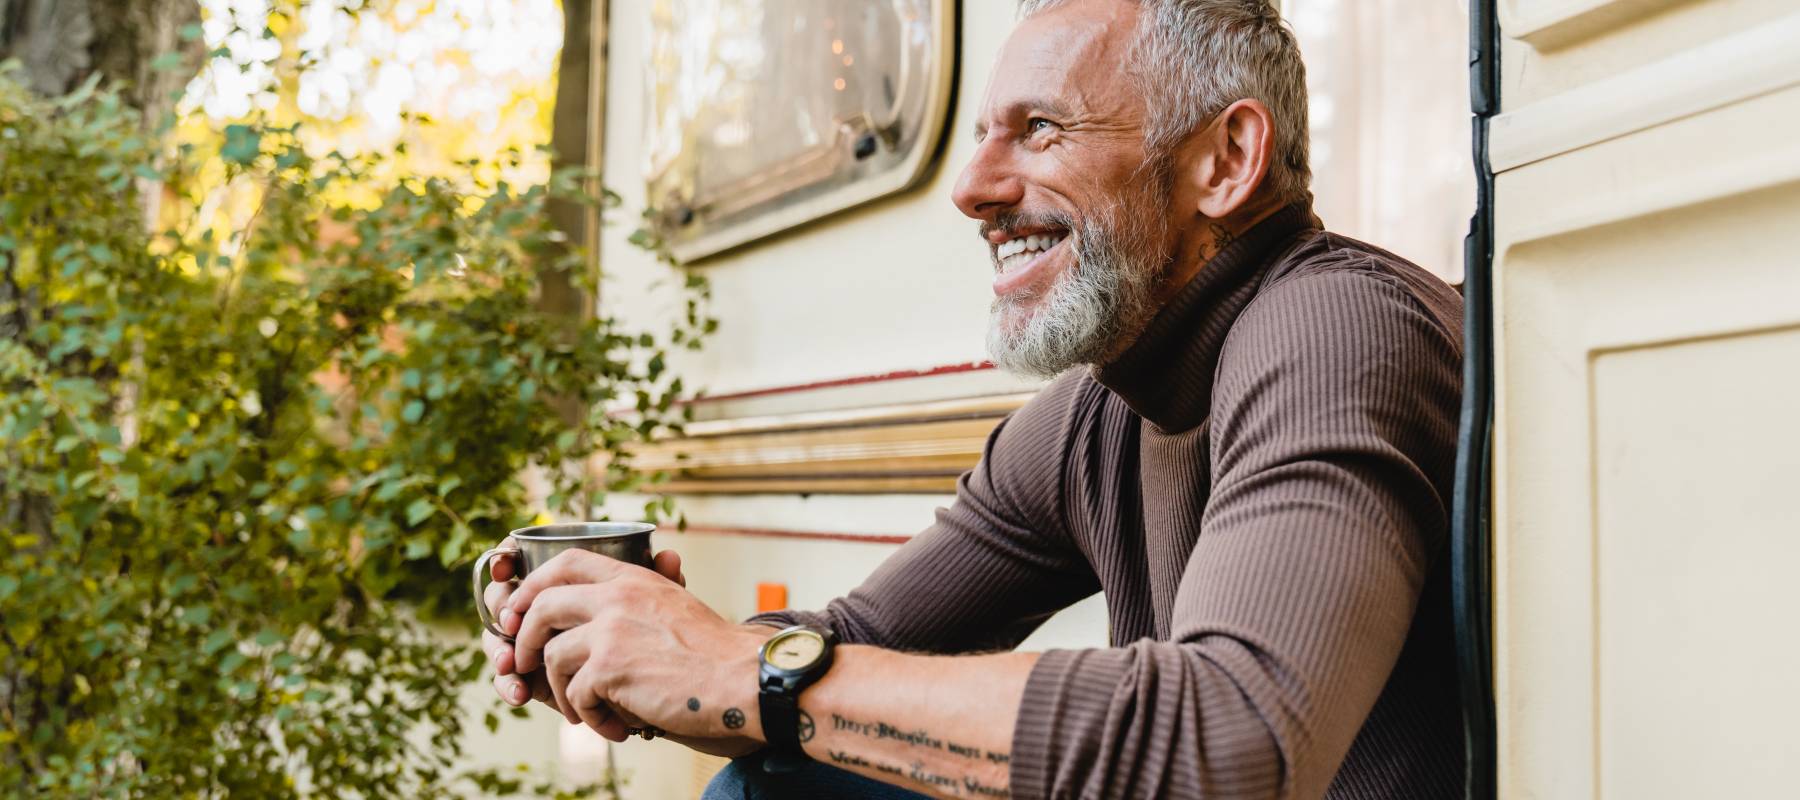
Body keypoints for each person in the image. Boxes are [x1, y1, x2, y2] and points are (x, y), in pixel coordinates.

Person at [480, 0, 1468, 797]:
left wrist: (741, 674)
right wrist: (635, 638)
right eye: (985, 134)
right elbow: (852, 649)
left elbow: (1226, 740)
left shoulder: (1339, 326)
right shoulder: (1103, 409)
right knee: (778, 775)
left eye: (1038, 130)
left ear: (1224, 160)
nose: (973, 186)